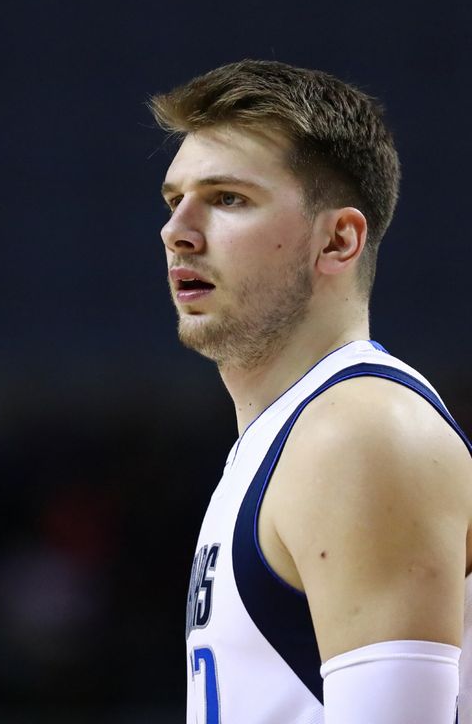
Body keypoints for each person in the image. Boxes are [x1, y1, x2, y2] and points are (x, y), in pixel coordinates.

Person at [150, 59, 472, 724]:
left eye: (227, 199)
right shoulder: (283, 440)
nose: (178, 230)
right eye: (173, 199)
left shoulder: (360, 432)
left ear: (339, 239)